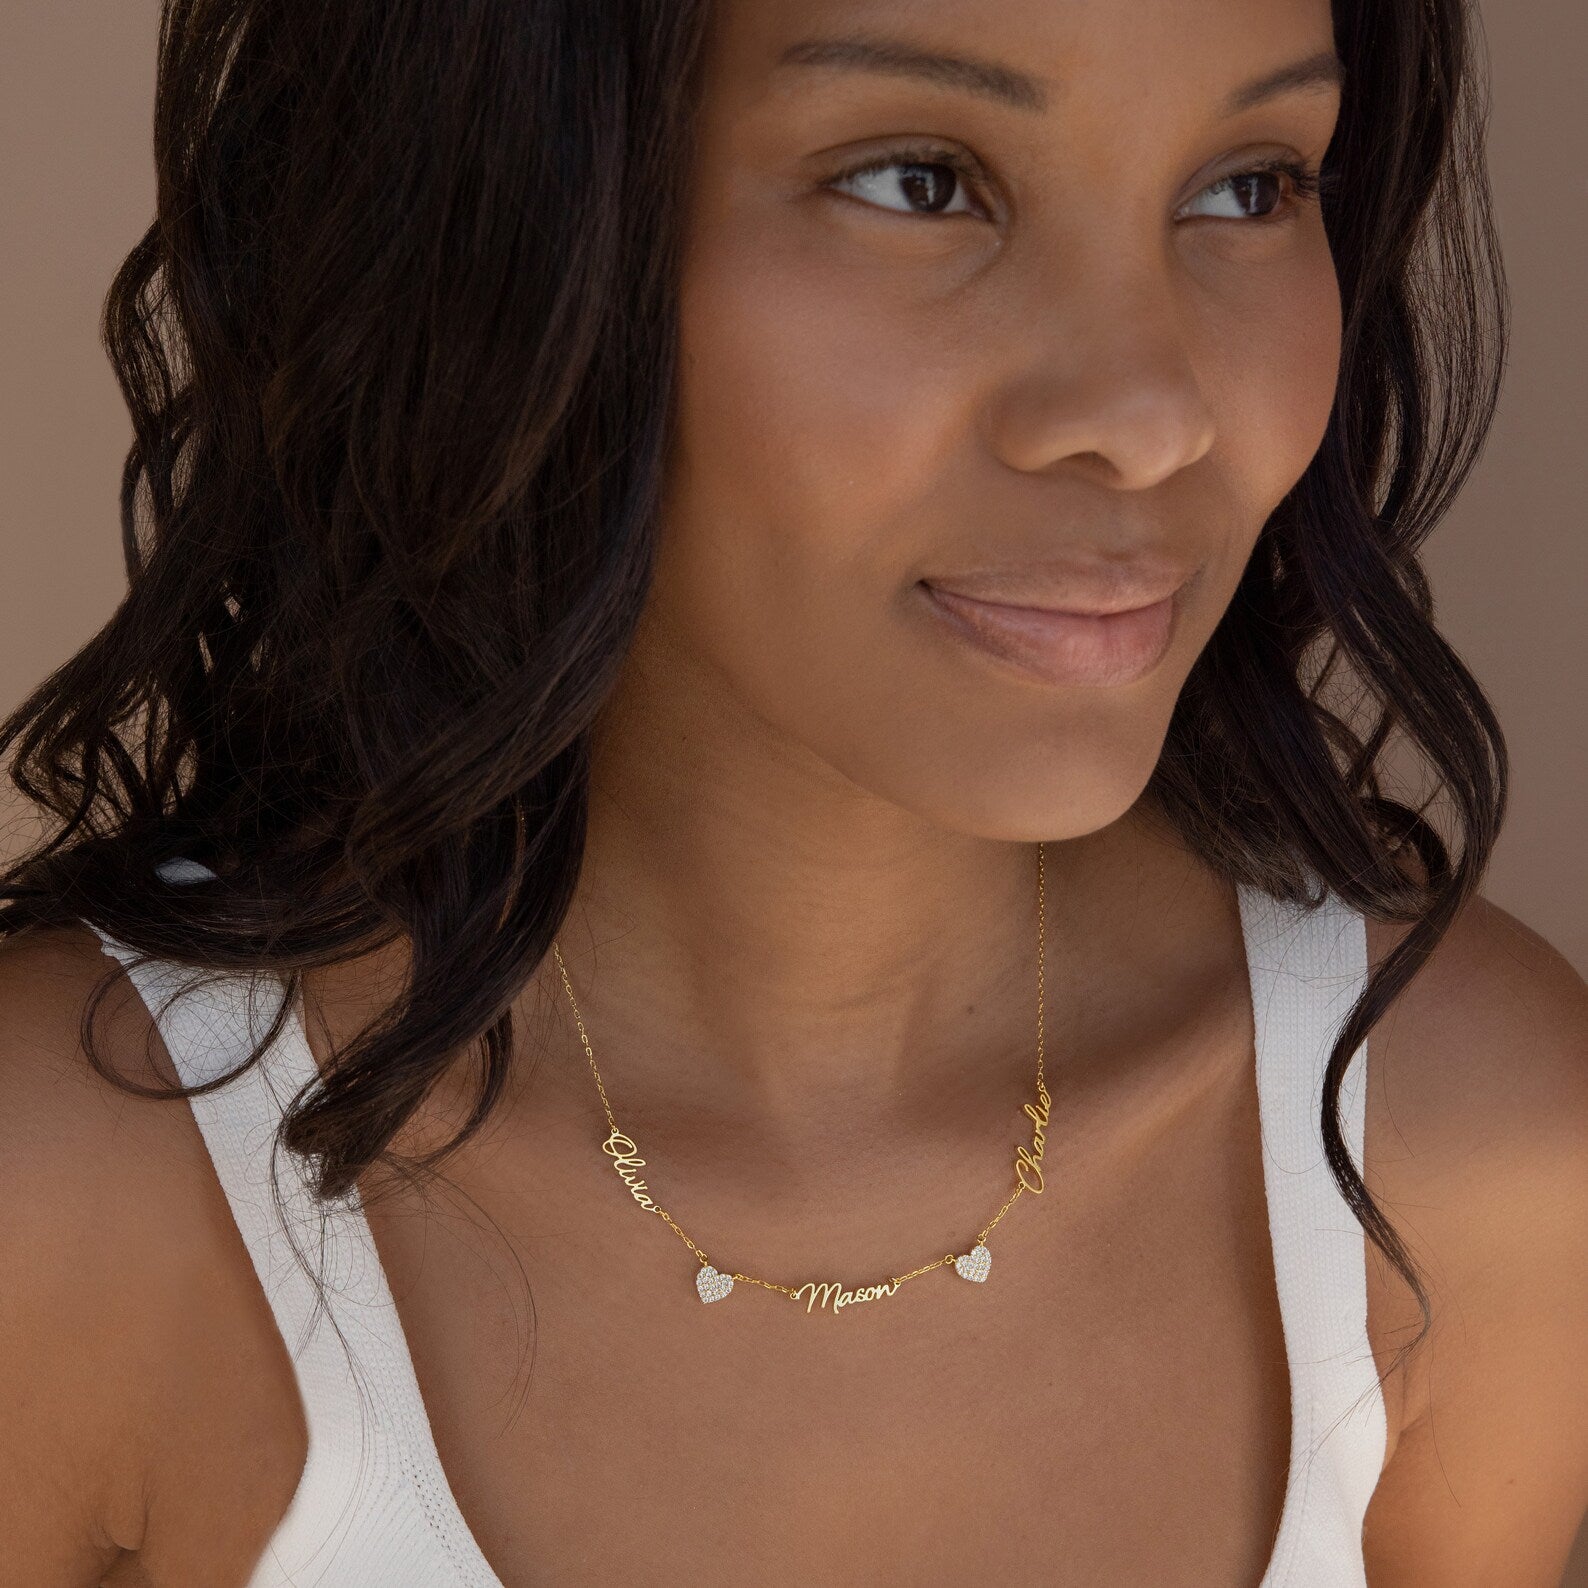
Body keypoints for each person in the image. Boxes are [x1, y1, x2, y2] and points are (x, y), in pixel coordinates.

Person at [1, 0, 1584, 1583]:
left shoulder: (1473, 1168)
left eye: (1249, 184)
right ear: (511, 220)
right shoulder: (75, 1204)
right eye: (918, 179)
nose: (1149, 413)